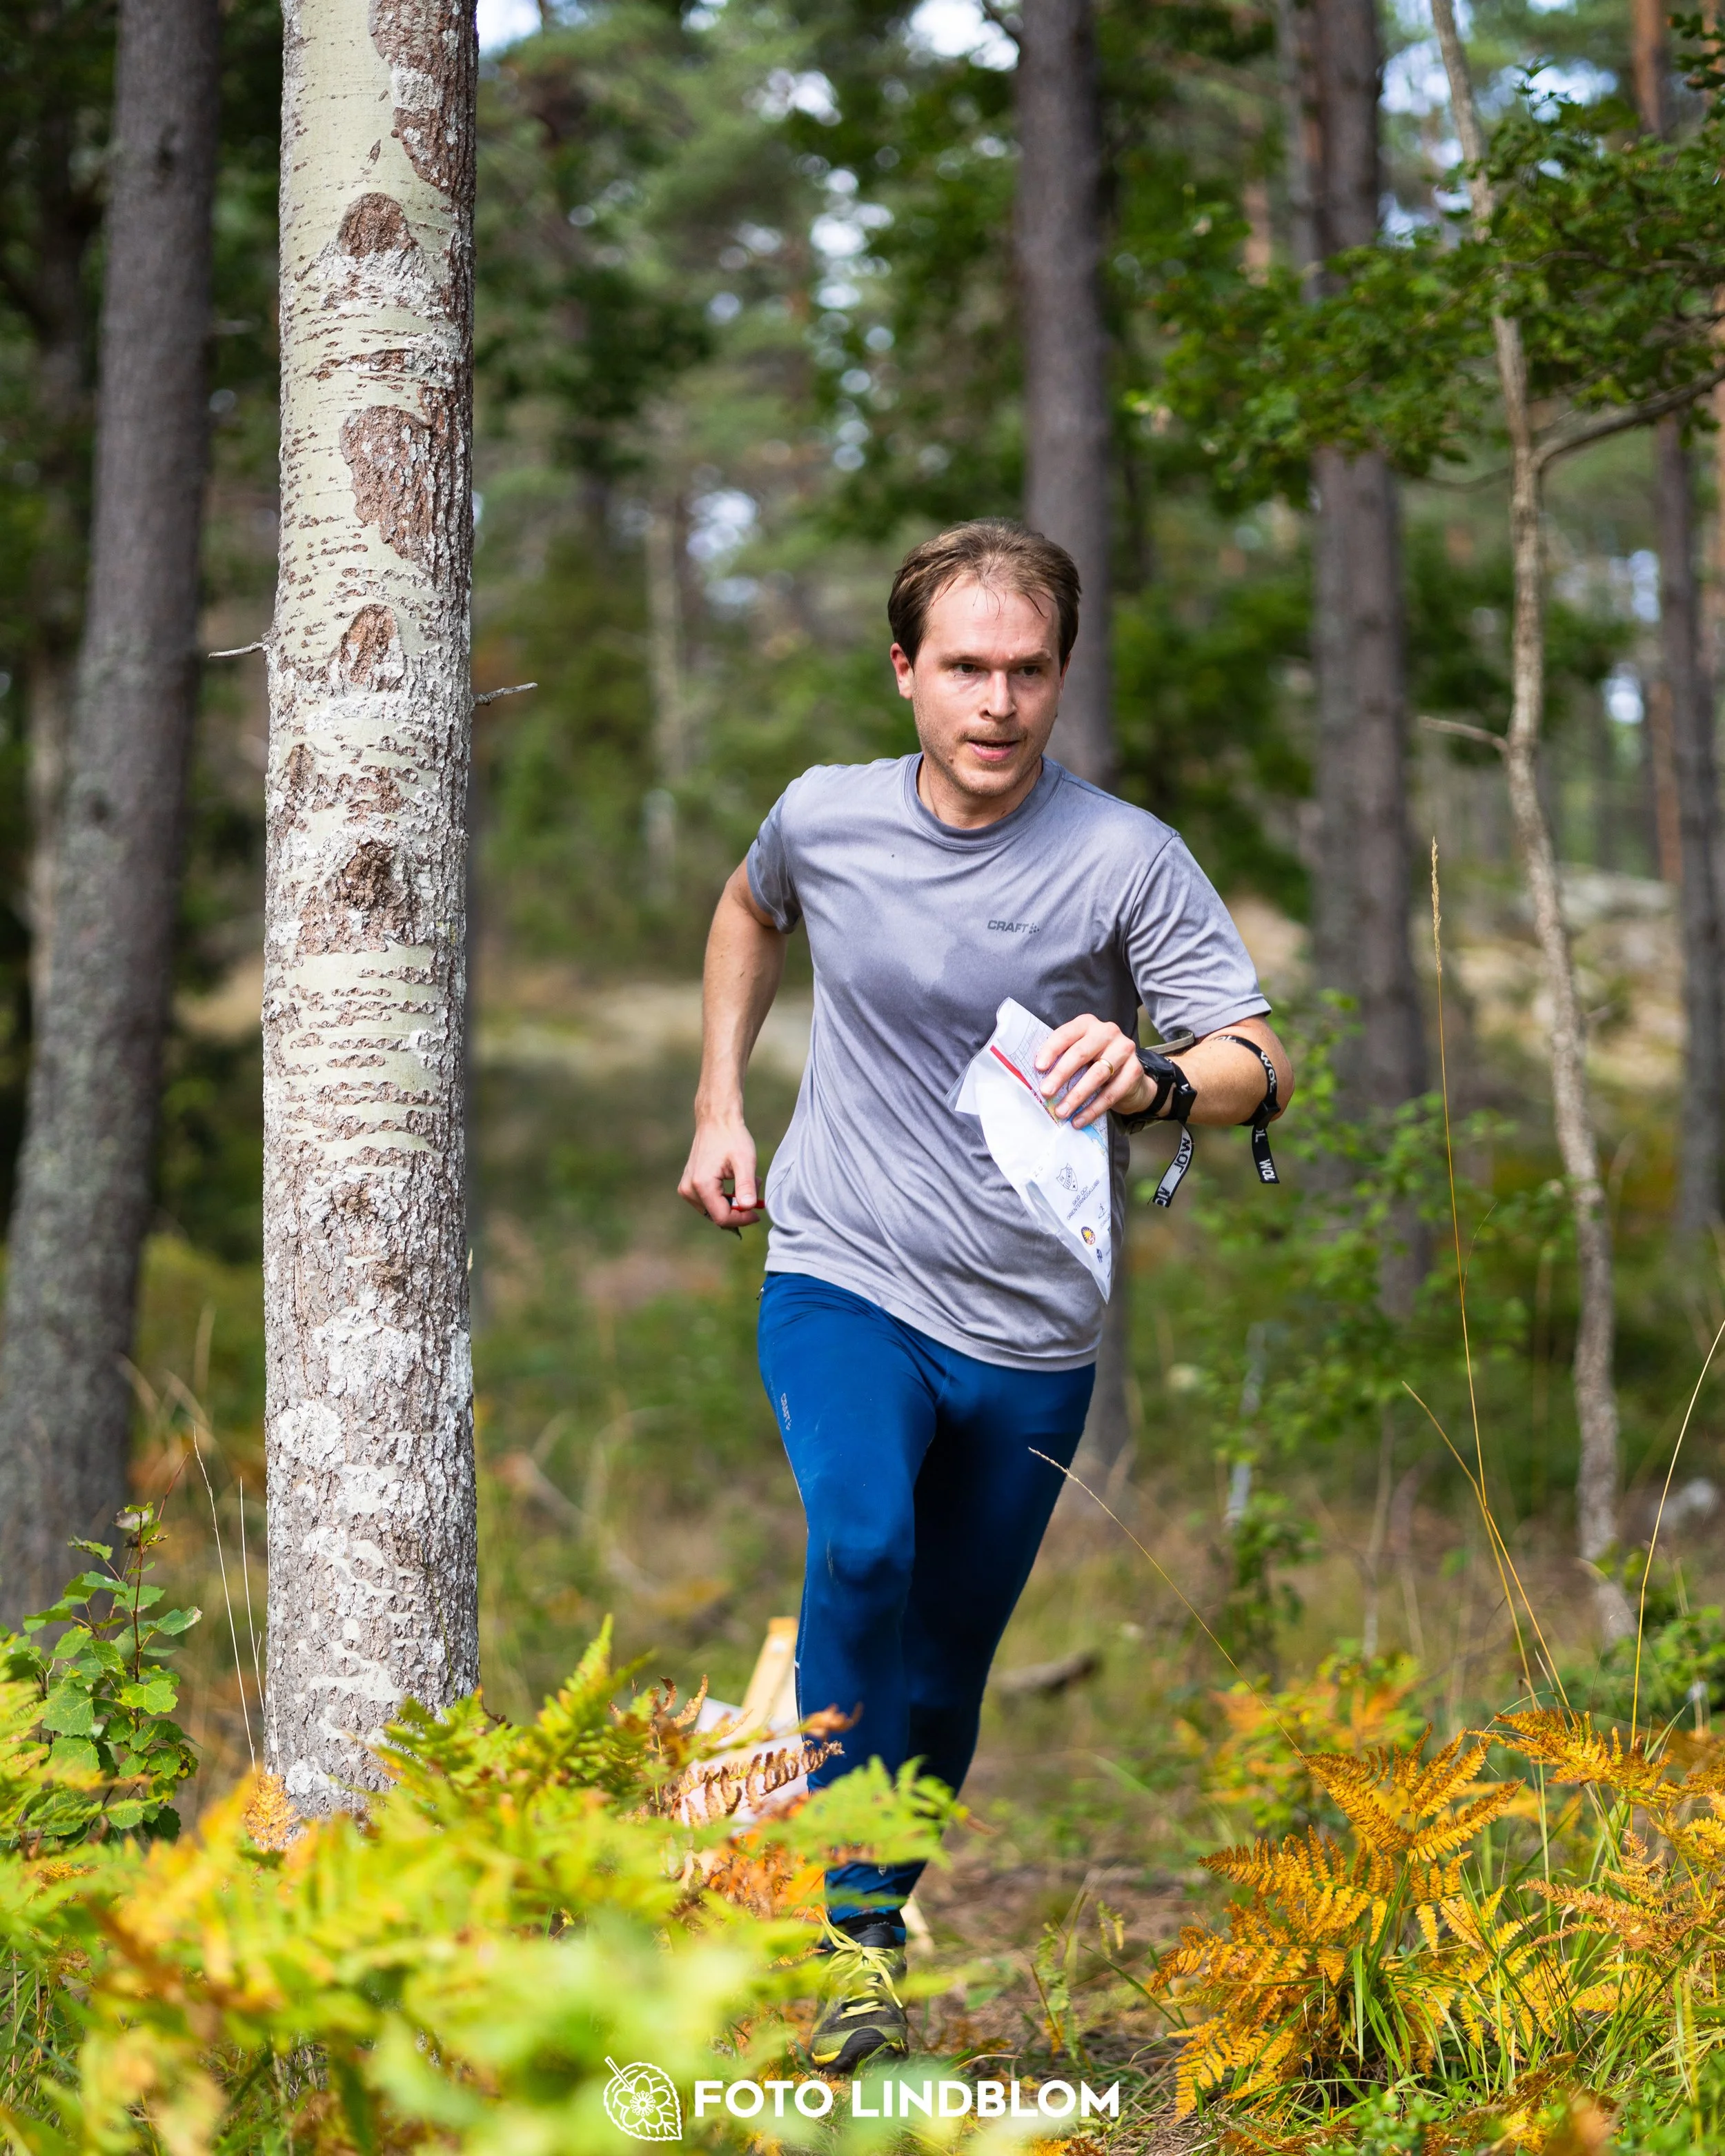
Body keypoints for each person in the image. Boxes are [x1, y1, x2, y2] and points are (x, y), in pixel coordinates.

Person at [678, 519, 1292, 2072]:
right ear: (904, 673)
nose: (996, 701)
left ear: (1059, 676)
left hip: (1028, 1326)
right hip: (843, 1265)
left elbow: (1257, 1058)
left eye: (1027, 670)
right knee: (863, 1539)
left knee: (946, 1662)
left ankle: (871, 1931)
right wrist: (717, 1102)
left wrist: (1152, 1073)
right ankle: (840, 1918)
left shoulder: (1122, 857)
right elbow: (749, 909)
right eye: (963, 667)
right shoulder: (824, 818)